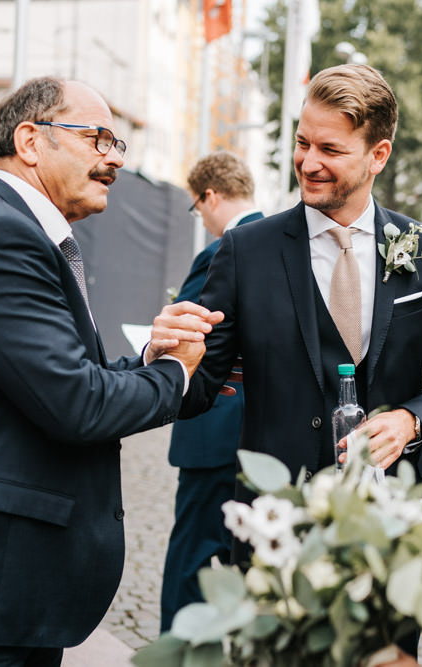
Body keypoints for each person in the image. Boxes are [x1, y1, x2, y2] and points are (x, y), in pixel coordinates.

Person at [0, 76, 220, 666]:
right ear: (30, 141)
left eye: (118, 144)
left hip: (4, 588)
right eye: (98, 138)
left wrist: (148, 361)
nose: (113, 158)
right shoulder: (0, 236)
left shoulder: (18, 232)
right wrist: (177, 374)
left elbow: (55, 380)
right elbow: (76, 404)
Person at [177, 64, 422, 656]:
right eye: (301, 143)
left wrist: (413, 421)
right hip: (276, 534)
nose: (308, 161)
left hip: (391, 536)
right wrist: (171, 357)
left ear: (378, 154)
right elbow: (199, 384)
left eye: (330, 149)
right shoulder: (245, 251)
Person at [160, 151, 264, 630]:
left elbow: (194, 332)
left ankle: (176, 653)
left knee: (191, 558)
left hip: (214, 425)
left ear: (211, 195)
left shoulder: (224, 248)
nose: (200, 216)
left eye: (196, 206)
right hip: (260, 432)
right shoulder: (279, 240)